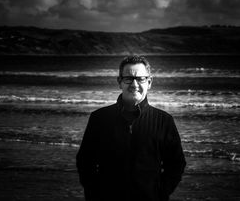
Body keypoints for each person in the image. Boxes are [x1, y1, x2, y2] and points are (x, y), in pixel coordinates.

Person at [76, 55, 186, 201]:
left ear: (149, 82)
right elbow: (85, 161)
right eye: (128, 78)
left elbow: (176, 163)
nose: (134, 84)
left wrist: (159, 192)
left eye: (140, 79)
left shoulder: (164, 120)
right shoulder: (99, 118)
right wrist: (94, 192)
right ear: (119, 82)